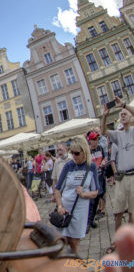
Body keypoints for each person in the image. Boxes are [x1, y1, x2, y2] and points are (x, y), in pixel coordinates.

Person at [54, 136, 99, 254]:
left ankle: (75, 266)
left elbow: (95, 192)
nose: (74, 156)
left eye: (77, 153)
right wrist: (59, 206)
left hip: (79, 210)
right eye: (72, 152)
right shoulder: (68, 166)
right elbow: (57, 189)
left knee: (74, 242)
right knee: (63, 242)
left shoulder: (91, 167)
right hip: (65, 210)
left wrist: (84, 194)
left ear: (84, 151)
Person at [101, 96, 134, 253]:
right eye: (121, 113)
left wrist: (125, 105)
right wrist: (105, 116)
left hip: (133, 177)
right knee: (118, 212)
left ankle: (130, 242)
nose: (122, 114)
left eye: (125, 113)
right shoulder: (118, 135)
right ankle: (116, 242)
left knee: (133, 213)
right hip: (121, 178)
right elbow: (103, 131)